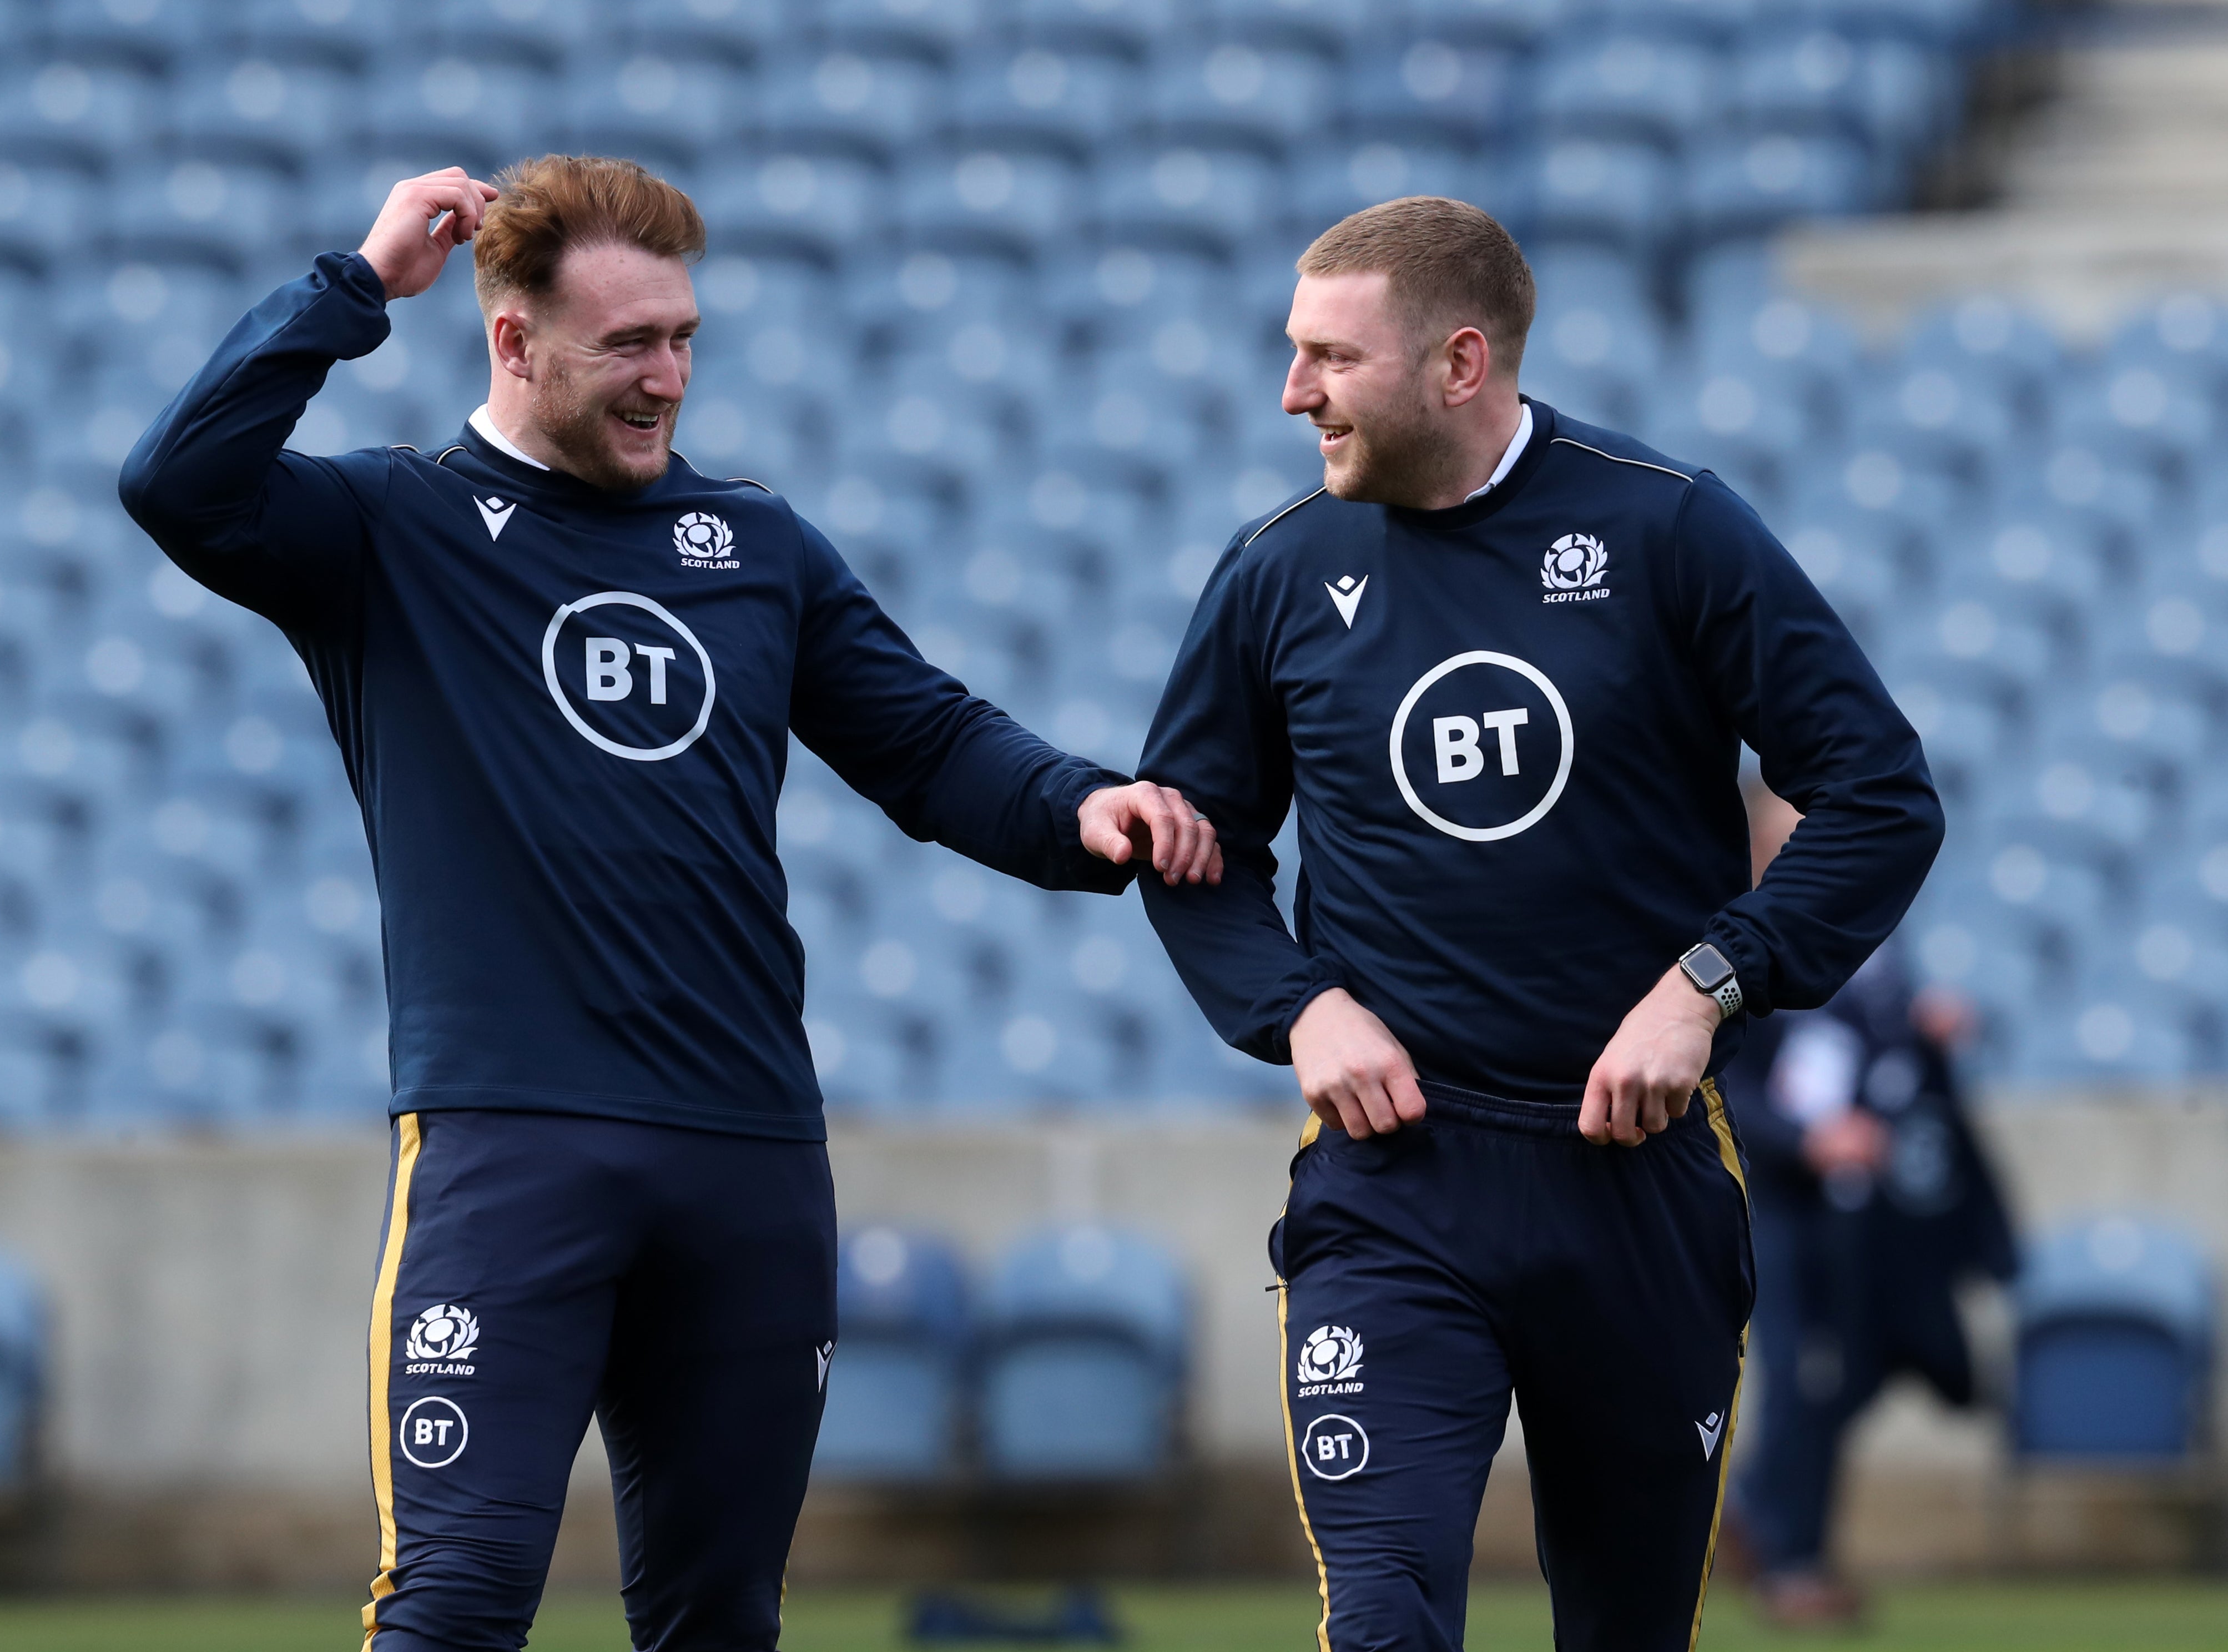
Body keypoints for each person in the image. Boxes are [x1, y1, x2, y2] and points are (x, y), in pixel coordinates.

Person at [118, 157, 1221, 1651]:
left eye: (684, 337)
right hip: (512, 1151)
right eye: (629, 343)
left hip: (749, 1159)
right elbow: (177, 482)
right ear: (513, 343)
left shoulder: (752, 546)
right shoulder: (392, 529)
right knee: (451, 1603)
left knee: (718, 1619)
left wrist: (1078, 807)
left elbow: (931, 742)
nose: (668, 376)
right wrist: (356, 284)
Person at [1133, 197, 1944, 1651]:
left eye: (1326, 357)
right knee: (1382, 1622)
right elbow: (1189, 848)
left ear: (1458, 364)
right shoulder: (1273, 574)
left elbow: (1877, 794)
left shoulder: (1666, 527)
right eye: (1289, 353)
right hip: (1394, 1188)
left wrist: (1709, 981)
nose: (1289, 393)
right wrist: (1299, 1006)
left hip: (1633, 1187)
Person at [1722, 782, 2016, 1627]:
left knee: (1891, 1359)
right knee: (1807, 1374)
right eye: (1785, 841)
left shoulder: (1868, 934)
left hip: (1873, 1207)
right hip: (1784, 1204)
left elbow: (1873, 1049)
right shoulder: (1734, 943)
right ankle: (1791, 1562)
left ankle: (1758, 1512)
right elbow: (1728, 1079)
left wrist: (1924, 1032)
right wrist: (1805, 1138)